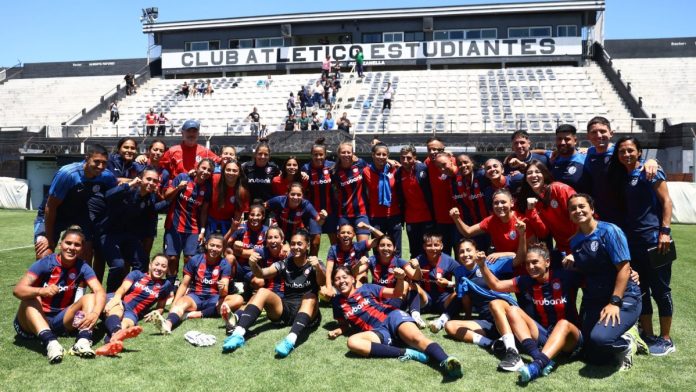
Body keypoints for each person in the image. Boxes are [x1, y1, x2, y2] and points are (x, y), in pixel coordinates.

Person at [474, 239, 584, 383]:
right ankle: (538, 356)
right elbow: (497, 285)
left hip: (570, 340)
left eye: (535, 262)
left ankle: (536, 366)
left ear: (547, 262)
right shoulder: (526, 281)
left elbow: (592, 279)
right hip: (545, 336)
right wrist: (482, 265)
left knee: (563, 323)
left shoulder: (566, 276)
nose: (530, 267)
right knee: (513, 310)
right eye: (527, 263)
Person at [326, 266, 463, 378]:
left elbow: (396, 293)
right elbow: (344, 325)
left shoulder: (366, 288)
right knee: (352, 342)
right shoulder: (337, 302)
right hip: (376, 331)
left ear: (352, 279)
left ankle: (446, 361)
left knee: (417, 339)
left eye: (344, 277)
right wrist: (338, 331)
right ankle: (405, 352)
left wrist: (400, 279)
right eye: (337, 279)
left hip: (392, 316)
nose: (341, 281)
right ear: (334, 283)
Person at [608, 136, 675, 355]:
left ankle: (666, 338)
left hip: (656, 242)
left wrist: (665, 232)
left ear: (639, 152)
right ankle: (648, 334)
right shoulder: (624, 178)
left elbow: (666, 201)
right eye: (622, 152)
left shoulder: (651, 171)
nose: (626, 155)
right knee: (641, 290)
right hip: (634, 244)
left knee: (661, 290)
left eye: (630, 150)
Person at [565, 194, 646, 370]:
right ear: (570, 214)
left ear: (592, 209)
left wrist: (614, 302)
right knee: (592, 353)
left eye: (582, 206)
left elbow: (624, 268)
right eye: (573, 208)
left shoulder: (609, 231)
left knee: (600, 339)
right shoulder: (575, 241)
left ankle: (628, 341)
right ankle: (618, 334)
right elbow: (593, 268)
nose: (577, 210)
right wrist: (574, 263)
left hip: (623, 297)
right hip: (597, 298)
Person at [222, 231, 325, 358]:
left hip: (309, 313)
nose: (295, 247)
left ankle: (290, 340)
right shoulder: (284, 263)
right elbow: (261, 274)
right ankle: (238, 334)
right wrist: (253, 265)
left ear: (307, 245)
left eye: (299, 244)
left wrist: (318, 268)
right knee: (262, 291)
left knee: (310, 297)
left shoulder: (315, 262)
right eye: (292, 244)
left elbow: (323, 282)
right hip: (286, 309)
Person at [13, 226, 106, 363]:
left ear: (82, 248)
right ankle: (51, 343)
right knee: (30, 298)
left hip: (59, 320)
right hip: (31, 321)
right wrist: (41, 291)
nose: (71, 247)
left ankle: (83, 341)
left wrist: (95, 313)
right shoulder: (45, 264)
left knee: (90, 297)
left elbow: (99, 291)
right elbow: (18, 290)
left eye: (77, 245)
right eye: (68, 243)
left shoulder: (83, 267)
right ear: (60, 244)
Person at [34, 144, 117, 262]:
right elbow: (50, 207)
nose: (100, 166)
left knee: (87, 253)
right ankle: (47, 280)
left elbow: (116, 184)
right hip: (54, 214)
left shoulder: (106, 175)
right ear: (87, 158)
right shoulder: (68, 173)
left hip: (79, 214)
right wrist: (49, 237)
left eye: (104, 163)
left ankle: (80, 280)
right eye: (97, 161)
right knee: (44, 254)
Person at [443, 239, 519, 366]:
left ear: (477, 252)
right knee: (450, 326)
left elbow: (519, 257)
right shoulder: (459, 272)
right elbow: (465, 297)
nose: (465, 254)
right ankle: (491, 344)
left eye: (468, 250)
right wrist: (468, 318)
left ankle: (512, 347)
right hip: (487, 321)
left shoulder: (490, 263)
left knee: (495, 304)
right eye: (461, 252)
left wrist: (499, 254)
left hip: (505, 315)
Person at [449, 188, 547, 275]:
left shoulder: (522, 221)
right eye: (496, 203)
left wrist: (501, 254)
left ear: (512, 203)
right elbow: (468, 232)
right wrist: (456, 218)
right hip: (506, 268)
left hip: (528, 269)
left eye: (503, 202)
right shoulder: (491, 221)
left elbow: (529, 253)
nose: (499, 206)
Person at [98, 168, 163, 292]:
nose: (151, 182)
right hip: (109, 233)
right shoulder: (128, 189)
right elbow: (108, 196)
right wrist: (130, 184)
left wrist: (170, 200)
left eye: (155, 181)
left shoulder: (150, 197)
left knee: (142, 262)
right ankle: (111, 295)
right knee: (118, 265)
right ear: (140, 179)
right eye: (148, 179)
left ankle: (132, 293)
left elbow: (153, 210)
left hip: (128, 235)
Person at [96, 253, 172, 356]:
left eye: (163, 266)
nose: (159, 268)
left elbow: (161, 307)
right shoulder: (136, 274)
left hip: (133, 313)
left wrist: (156, 311)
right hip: (120, 301)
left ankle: (109, 344)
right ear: (150, 265)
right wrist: (117, 299)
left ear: (167, 270)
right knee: (118, 312)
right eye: (156, 264)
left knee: (127, 323)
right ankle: (115, 335)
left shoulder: (165, 285)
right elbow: (123, 288)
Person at [156, 235, 231, 333]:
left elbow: (224, 293)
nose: (214, 249)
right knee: (180, 304)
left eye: (218, 246)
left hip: (214, 299)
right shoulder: (195, 260)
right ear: (206, 245)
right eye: (212, 245)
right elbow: (184, 284)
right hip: (195, 297)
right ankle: (168, 324)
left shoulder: (225, 264)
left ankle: (195, 314)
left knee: (237, 300)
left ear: (222, 248)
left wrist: (222, 288)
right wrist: (174, 303)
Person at [220, 226, 286, 334]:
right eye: (270, 238)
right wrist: (237, 247)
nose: (273, 240)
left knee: (259, 297)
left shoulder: (288, 254)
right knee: (253, 300)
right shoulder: (263, 251)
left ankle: (240, 325)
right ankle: (234, 318)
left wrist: (287, 248)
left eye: (276, 237)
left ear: (282, 239)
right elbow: (239, 253)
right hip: (266, 292)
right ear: (266, 240)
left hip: (282, 297)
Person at [163, 158, 213, 283]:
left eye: (209, 170)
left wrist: (202, 230)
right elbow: (167, 197)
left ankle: (187, 284)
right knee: (172, 258)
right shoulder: (182, 178)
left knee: (190, 258)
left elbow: (204, 211)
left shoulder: (207, 188)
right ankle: (170, 284)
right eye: (204, 168)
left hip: (193, 228)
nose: (205, 171)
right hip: (173, 225)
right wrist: (178, 188)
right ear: (197, 167)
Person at [516, 160, 576, 254]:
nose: (533, 175)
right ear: (526, 179)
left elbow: (580, 216)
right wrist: (531, 211)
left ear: (544, 174)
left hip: (580, 242)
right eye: (529, 173)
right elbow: (543, 233)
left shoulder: (559, 189)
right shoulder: (536, 201)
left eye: (537, 172)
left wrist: (578, 243)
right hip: (563, 248)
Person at [406, 231, 461, 332]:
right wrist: (414, 268)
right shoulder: (419, 260)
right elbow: (408, 277)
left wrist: (449, 283)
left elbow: (464, 280)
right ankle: (416, 317)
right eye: (429, 245)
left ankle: (442, 321)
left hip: (445, 299)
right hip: (426, 298)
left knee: (459, 292)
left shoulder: (449, 261)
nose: (433, 248)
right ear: (424, 247)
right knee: (411, 285)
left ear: (441, 246)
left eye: (436, 245)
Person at [363, 142, 403, 256]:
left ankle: (396, 273)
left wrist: (396, 164)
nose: (381, 157)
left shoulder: (394, 169)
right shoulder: (366, 171)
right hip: (376, 217)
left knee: (395, 249)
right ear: (373, 155)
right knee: (378, 250)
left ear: (388, 155)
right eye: (378, 154)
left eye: (384, 154)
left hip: (394, 215)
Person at [395, 145, 434, 259]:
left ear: (415, 157)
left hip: (427, 217)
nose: (405, 160)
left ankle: (430, 276)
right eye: (402, 158)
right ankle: (416, 276)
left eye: (409, 157)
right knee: (414, 251)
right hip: (411, 218)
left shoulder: (423, 169)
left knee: (428, 249)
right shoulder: (398, 173)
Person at [324, 222, 383, 294]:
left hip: (354, 275)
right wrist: (329, 288)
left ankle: (358, 291)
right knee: (323, 293)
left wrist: (368, 227)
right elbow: (329, 271)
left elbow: (383, 238)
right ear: (338, 235)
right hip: (340, 278)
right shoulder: (333, 249)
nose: (346, 235)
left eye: (349, 233)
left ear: (354, 235)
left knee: (363, 275)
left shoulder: (358, 246)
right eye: (343, 233)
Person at [302, 138, 338, 256]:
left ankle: (338, 268)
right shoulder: (306, 169)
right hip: (314, 212)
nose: (318, 157)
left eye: (321, 154)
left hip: (331, 211)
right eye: (315, 155)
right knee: (315, 242)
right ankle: (312, 269)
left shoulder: (332, 167)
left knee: (335, 241)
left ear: (325, 155)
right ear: (311, 155)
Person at [448, 154, 490, 251]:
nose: (463, 165)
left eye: (465, 162)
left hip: (488, 224)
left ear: (472, 163)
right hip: (474, 226)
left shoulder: (482, 176)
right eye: (459, 164)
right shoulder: (460, 181)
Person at [330, 142, 371, 242]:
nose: (346, 155)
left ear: (353, 154)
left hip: (361, 213)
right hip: (344, 215)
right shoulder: (334, 172)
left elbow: (376, 166)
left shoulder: (360, 164)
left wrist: (389, 160)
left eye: (349, 152)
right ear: (338, 154)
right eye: (343, 152)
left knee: (363, 248)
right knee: (344, 247)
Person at [227, 204, 269, 299]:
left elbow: (262, 253)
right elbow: (226, 245)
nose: (255, 218)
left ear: (263, 217)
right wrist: (232, 237)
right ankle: (229, 290)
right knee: (229, 258)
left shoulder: (267, 232)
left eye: (258, 215)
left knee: (259, 282)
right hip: (239, 267)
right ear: (248, 215)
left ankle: (250, 291)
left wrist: (239, 251)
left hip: (254, 269)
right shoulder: (241, 228)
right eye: (252, 214)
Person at [424, 138, 457, 255]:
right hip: (441, 218)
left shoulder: (453, 160)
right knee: (443, 254)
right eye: (430, 149)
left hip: (458, 218)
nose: (432, 152)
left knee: (461, 254)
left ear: (443, 149)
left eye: (436, 149)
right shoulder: (428, 163)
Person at [207, 159, 249, 238]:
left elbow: (237, 218)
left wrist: (229, 236)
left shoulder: (242, 192)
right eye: (228, 170)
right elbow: (201, 176)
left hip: (227, 225)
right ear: (223, 171)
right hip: (209, 221)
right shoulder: (214, 178)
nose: (231, 173)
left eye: (234, 170)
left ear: (239, 173)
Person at [548, 124, 589, 193]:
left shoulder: (585, 160)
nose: (562, 142)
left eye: (567, 139)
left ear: (575, 140)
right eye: (559, 139)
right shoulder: (552, 159)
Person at [241, 138, 281, 203]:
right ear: (255, 155)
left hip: (267, 206)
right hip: (250, 206)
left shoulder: (274, 168)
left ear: (269, 156)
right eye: (260, 154)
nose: (262, 157)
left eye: (266, 154)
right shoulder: (246, 167)